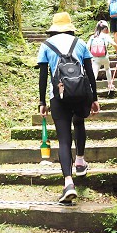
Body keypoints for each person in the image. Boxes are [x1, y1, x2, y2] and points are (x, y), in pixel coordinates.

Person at [37, 12, 100, 204]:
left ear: (54, 28)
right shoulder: (79, 43)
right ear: (69, 27)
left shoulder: (46, 45)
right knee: (79, 123)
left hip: (58, 96)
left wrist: (42, 102)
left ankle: (68, 184)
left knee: (64, 139)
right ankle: (80, 161)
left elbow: (42, 77)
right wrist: (94, 98)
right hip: (81, 94)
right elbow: (89, 72)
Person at [87, 20, 117, 91]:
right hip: (105, 57)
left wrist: (89, 57)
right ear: (105, 28)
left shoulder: (93, 37)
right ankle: (110, 84)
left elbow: (87, 47)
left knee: (95, 72)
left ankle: (91, 87)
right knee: (107, 69)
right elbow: (115, 44)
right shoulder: (106, 36)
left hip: (95, 58)